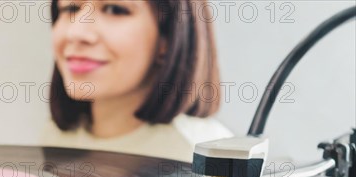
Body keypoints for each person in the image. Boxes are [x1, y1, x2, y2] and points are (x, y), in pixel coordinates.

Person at [42, 0, 233, 163]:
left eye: (114, 9)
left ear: (167, 38)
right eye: (70, 8)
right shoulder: (55, 138)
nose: (76, 33)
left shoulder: (203, 158)